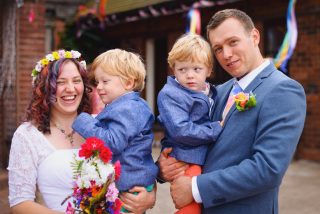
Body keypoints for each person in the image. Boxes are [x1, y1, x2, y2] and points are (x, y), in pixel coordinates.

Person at [158, 9, 306, 214]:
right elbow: (196, 134)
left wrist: (195, 188)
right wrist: (164, 166)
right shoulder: (219, 90)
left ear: (254, 36)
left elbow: (268, 168)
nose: (226, 54)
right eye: (218, 48)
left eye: (233, 42)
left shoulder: (283, 90)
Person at [7, 49, 155, 213]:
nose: (70, 88)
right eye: (61, 82)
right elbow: (19, 203)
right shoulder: (27, 135)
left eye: (76, 80)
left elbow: (136, 157)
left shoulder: (102, 124)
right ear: (45, 88)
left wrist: (150, 195)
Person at [72, 49, 158, 213]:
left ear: (128, 83)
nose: (99, 87)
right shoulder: (126, 105)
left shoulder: (128, 108)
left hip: (129, 187)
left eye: (105, 81)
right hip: (132, 183)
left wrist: (84, 120)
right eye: (97, 82)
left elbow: (113, 143)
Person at [157, 33, 222, 213]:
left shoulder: (212, 91)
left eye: (196, 69)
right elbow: (181, 130)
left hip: (202, 157)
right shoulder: (171, 94)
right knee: (190, 205)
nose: (189, 76)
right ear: (173, 69)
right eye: (182, 70)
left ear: (208, 70)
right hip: (185, 157)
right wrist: (216, 129)